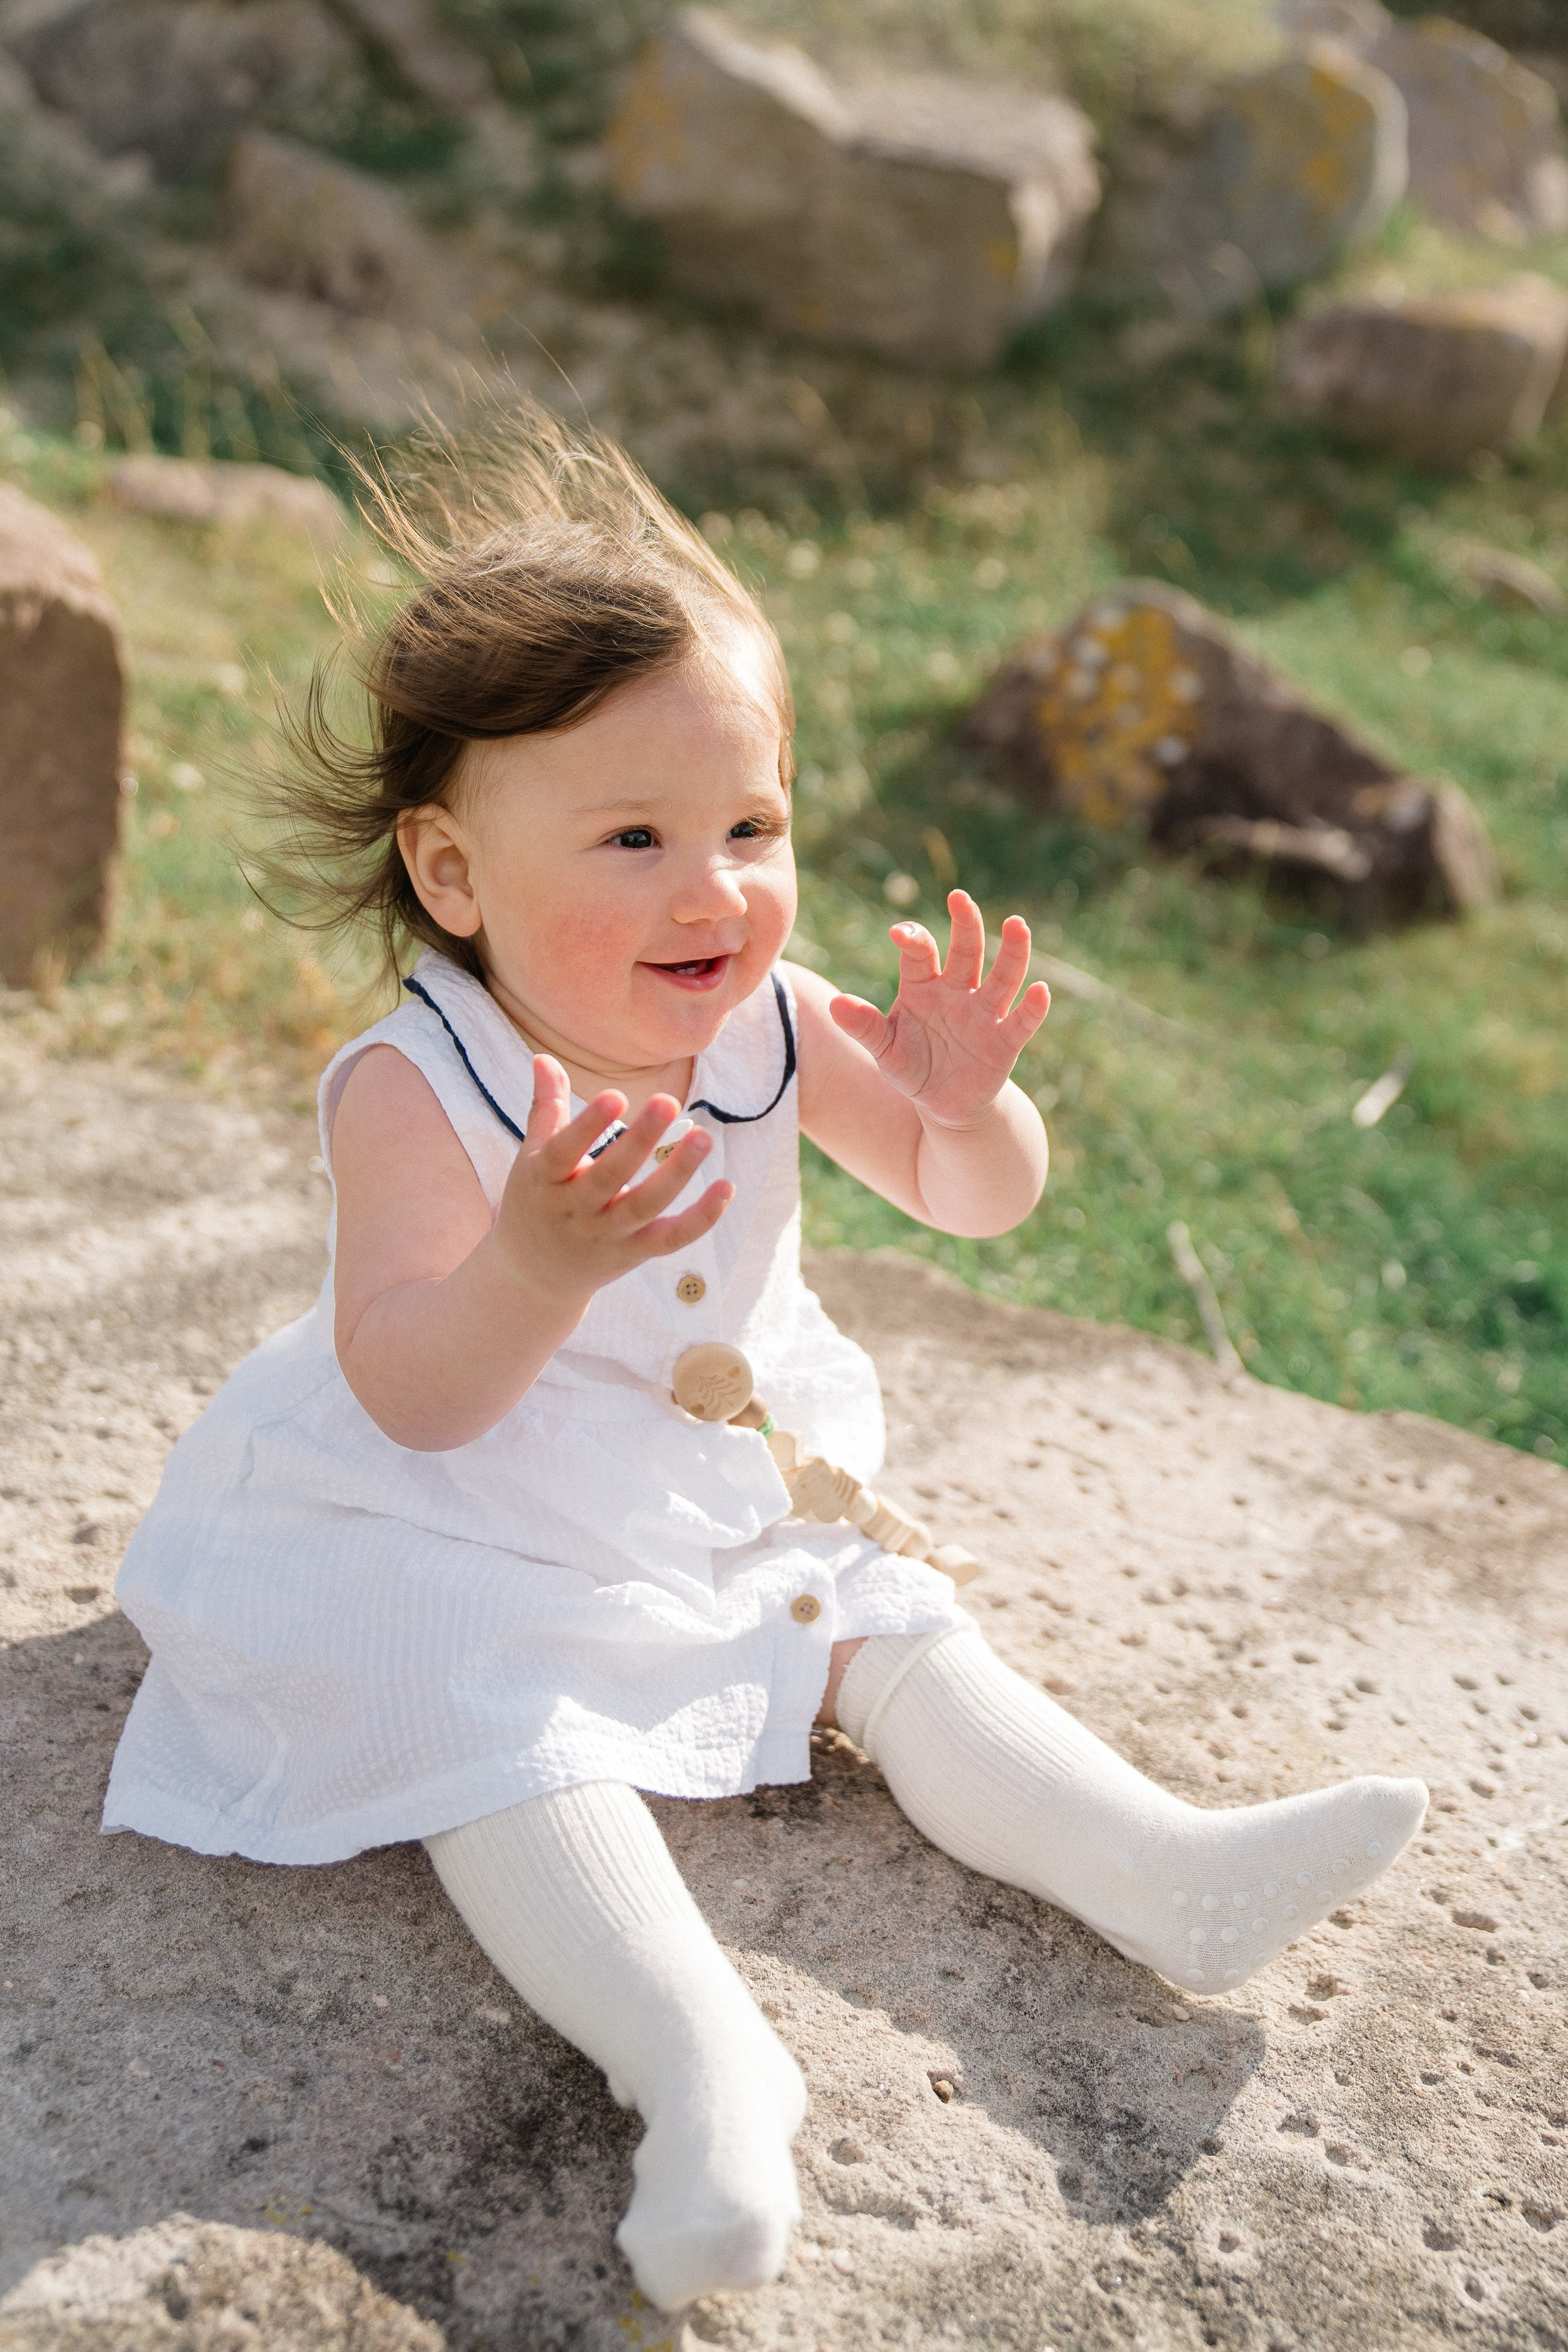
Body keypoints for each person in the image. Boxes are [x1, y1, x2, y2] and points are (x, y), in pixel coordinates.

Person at [104, 412, 1427, 2315]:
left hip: (713, 1472)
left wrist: (965, 1105)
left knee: (884, 1620)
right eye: (633, 839)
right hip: (451, 1504)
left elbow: (974, 1200)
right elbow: (414, 1390)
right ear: (453, 872)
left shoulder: (776, 1022)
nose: (712, 890)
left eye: (752, 828)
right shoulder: (416, 1086)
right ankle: (702, 2066)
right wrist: (533, 1262)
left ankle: (1161, 1869)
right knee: (490, 1711)